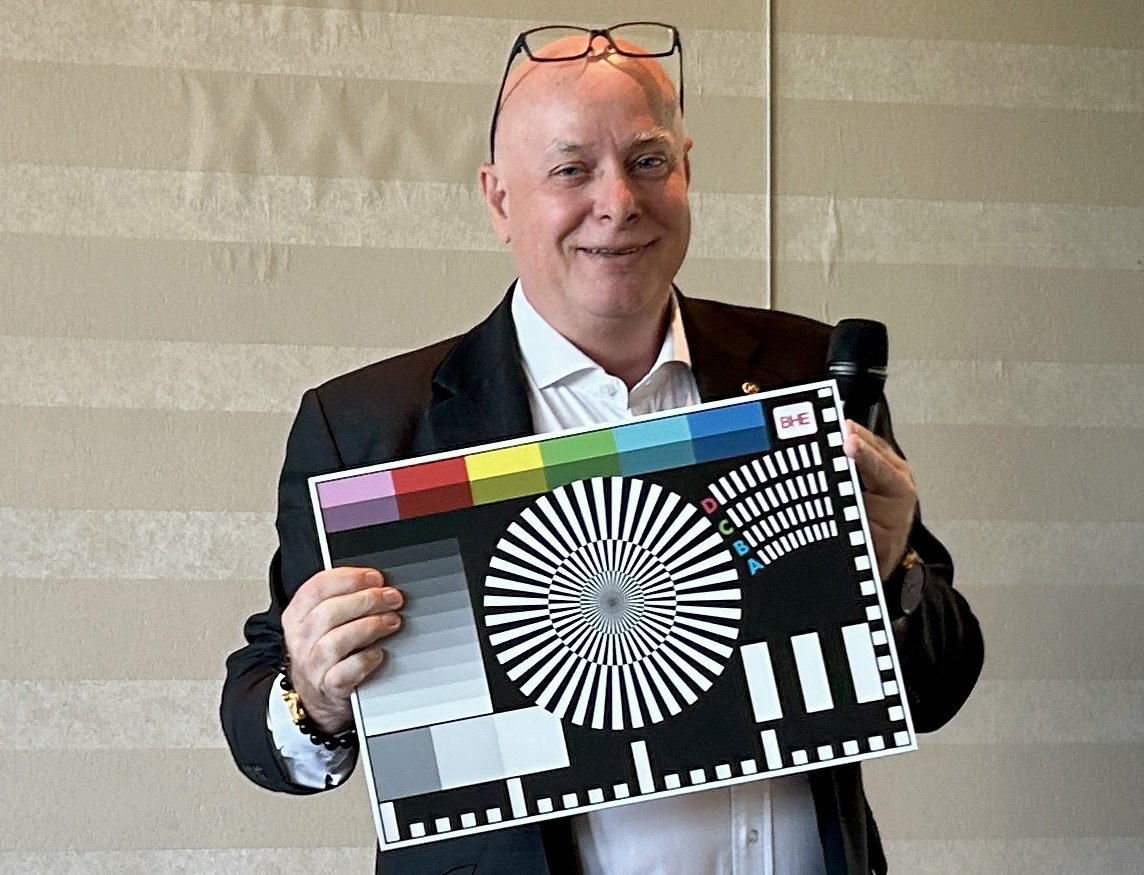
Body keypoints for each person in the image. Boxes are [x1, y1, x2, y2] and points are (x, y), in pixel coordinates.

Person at [221, 23, 983, 875]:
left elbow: (938, 684)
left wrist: (892, 572)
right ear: (499, 199)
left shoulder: (807, 374)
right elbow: (258, 708)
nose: (618, 202)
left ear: (686, 171)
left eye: (648, 161)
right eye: (571, 169)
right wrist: (314, 692)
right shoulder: (370, 426)